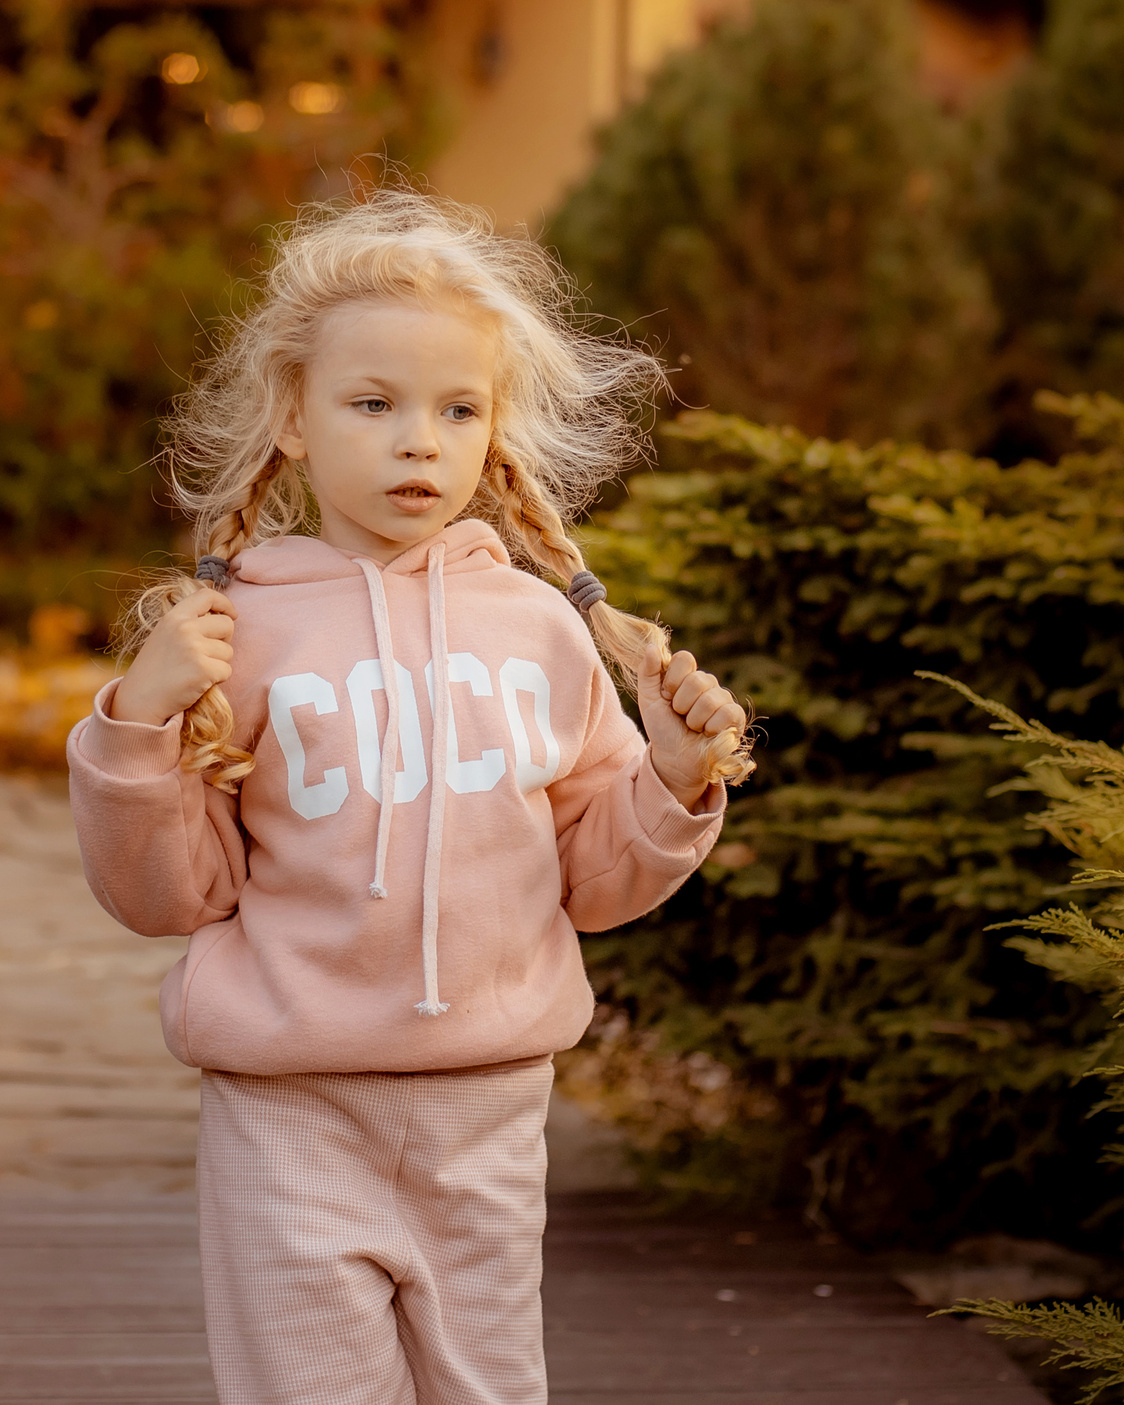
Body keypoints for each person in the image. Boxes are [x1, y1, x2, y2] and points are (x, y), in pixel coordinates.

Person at [67, 190, 751, 1405]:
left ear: (496, 431)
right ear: (294, 415)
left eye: (457, 408)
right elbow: (168, 894)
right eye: (373, 403)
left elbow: (595, 882)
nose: (417, 441)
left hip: (487, 1111)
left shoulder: (540, 630)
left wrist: (670, 780)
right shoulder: (239, 635)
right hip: (291, 1113)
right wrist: (138, 721)